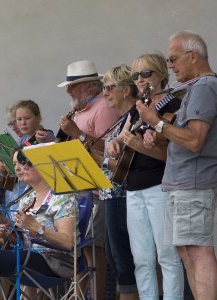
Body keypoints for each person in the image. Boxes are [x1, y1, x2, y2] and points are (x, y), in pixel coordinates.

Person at [137, 31, 217, 300]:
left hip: (193, 185)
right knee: (185, 251)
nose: (170, 65)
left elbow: (195, 140)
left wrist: (157, 122)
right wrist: (159, 133)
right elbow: (182, 137)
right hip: (180, 185)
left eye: (173, 59)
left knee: (197, 250)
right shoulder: (195, 89)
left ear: (193, 56)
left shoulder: (205, 87)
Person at [108, 53, 184, 300]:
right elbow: (122, 136)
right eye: (136, 75)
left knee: (167, 256)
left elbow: (173, 155)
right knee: (141, 258)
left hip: (159, 185)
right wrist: (115, 143)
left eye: (145, 74)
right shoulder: (138, 107)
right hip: (133, 188)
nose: (140, 80)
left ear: (162, 74)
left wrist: (141, 146)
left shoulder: (172, 105)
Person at [0, 150, 77, 300]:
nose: (18, 168)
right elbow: (16, 236)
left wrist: (38, 228)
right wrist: (3, 231)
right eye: (15, 164)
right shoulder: (27, 197)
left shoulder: (62, 197)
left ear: (43, 164)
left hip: (53, 260)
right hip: (25, 254)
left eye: (24, 163)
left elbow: (67, 242)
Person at [57, 60, 120, 299]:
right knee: (84, 250)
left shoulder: (103, 107)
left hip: (100, 190)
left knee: (96, 250)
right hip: (81, 190)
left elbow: (110, 149)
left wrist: (76, 133)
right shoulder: (81, 110)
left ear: (90, 87)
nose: (68, 91)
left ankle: (99, 295)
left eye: (73, 86)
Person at [101, 64, 139, 299]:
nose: (105, 93)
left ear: (126, 90)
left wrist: (99, 158)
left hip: (121, 195)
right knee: (114, 257)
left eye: (109, 87)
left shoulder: (134, 117)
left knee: (124, 259)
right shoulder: (122, 119)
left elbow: (124, 164)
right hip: (110, 195)